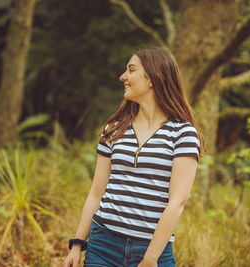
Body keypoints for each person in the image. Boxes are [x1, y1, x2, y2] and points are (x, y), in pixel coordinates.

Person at [63, 45, 204, 267]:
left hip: (154, 251)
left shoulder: (183, 133)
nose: (123, 77)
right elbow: (96, 194)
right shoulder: (114, 128)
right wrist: (77, 245)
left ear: (153, 77)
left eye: (131, 70)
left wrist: (150, 258)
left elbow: (177, 201)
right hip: (103, 246)